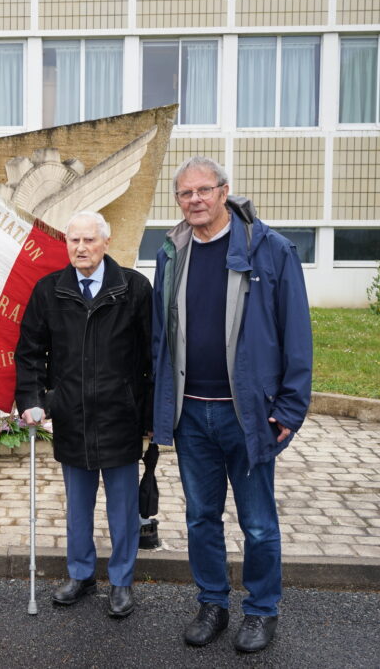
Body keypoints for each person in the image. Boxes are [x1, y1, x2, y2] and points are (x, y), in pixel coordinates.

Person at [152, 156, 312, 653]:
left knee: (258, 522)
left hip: (248, 415)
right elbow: (162, 335)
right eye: (185, 193)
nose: (194, 200)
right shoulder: (171, 251)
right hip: (191, 414)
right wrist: (158, 408)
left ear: (224, 192)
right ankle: (213, 603)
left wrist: (289, 409)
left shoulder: (270, 249)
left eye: (203, 190)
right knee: (201, 516)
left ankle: (262, 611)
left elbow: (296, 336)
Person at [15, 210, 154, 619]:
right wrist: (32, 398)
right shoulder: (49, 291)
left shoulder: (134, 288)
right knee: (78, 505)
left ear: (105, 243)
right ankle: (80, 574)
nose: (80, 248)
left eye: (89, 240)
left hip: (120, 416)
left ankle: (122, 581)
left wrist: (148, 414)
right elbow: (29, 353)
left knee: (123, 508)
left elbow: (152, 356)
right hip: (72, 415)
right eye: (74, 241)